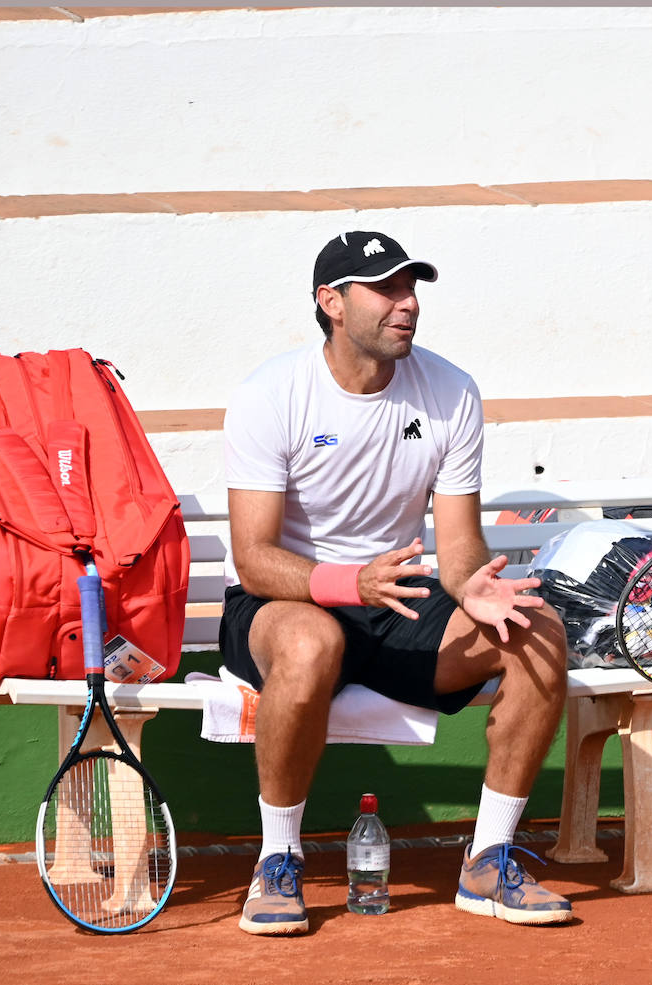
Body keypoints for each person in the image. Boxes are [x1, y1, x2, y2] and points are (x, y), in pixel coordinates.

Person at [219, 230, 573, 935]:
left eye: (411, 289)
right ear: (332, 302)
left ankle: (488, 856)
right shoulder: (271, 394)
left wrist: (472, 587)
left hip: (398, 599)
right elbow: (254, 555)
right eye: (385, 289)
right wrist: (348, 579)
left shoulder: (449, 392)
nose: (406, 304)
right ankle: (279, 859)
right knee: (311, 645)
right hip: (284, 599)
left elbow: (462, 544)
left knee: (537, 633)